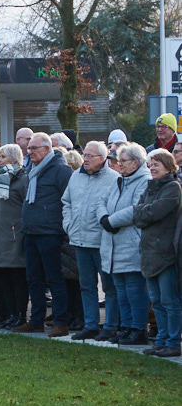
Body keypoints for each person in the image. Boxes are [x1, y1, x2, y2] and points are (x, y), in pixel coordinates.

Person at [13, 133, 75, 337]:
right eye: (29, 148)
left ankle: (61, 321)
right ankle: (36, 320)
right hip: (31, 231)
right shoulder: (31, 170)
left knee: (54, 278)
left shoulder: (61, 170)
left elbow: (69, 200)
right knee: (34, 278)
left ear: (47, 149)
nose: (29, 152)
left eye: (34, 148)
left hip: (50, 232)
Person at [61, 140, 120, 340]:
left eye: (89, 156)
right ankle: (90, 324)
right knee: (86, 285)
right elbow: (66, 202)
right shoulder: (75, 177)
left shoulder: (114, 179)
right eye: (84, 155)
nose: (85, 159)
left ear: (102, 159)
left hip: (102, 241)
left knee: (109, 287)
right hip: (79, 240)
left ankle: (110, 326)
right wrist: (68, 224)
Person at [97, 142, 152, 345]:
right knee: (121, 290)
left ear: (136, 162)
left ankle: (138, 329)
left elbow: (136, 209)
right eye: (118, 161)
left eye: (124, 161)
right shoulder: (119, 180)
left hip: (131, 244)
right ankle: (127, 327)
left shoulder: (144, 181)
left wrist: (111, 221)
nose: (119, 165)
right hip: (113, 244)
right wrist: (103, 217)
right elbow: (101, 201)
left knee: (134, 290)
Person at [133, 149, 182, 357]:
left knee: (170, 301)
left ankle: (173, 341)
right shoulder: (150, 187)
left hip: (165, 254)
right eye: (150, 165)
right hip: (149, 253)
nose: (152, 168)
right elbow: (138, 215)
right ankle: (161, 340)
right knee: (157, 301)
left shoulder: (173, 188)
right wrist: (144, 212)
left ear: (168, 167)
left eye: (156, 165)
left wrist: (144, 212)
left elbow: (153, 212)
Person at [0, 144, 30, 329]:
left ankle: (20, 314)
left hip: (13, 235)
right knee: (2, 277)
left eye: (2, 157)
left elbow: (26, 207)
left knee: (17, 279)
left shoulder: (22, 180)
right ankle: (9, 313)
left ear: (13, 158)